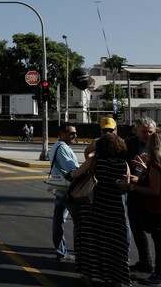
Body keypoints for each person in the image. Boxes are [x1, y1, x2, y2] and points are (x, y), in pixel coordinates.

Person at [68, 133, 131, 286]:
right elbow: (125, 187)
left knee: (90, 243)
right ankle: (117, 280)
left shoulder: (94, 161)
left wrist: (69, 173)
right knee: (115, 245)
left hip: (92, 209)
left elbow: (75, 174)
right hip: (115, 211)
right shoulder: (124, 165)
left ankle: (87, 277)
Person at [117, 129, 161, 285]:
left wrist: (131, 188)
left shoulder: (156, 163)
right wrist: (144, 169)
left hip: (157, 209)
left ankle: (158, 274)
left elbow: (155, 190)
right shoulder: (154, 163)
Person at [125, 117, 157, 273]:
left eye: (150, 132)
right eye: (144, 132)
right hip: (135, 195)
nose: (147, 135)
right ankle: (145, 261)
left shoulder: (158, 148)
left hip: (152, 195)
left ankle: (156, 269)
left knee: (156, 233)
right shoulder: (129, 143)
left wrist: (141, 178)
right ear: (136, 131)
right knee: (137, 228)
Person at [49, 122, 80, 262]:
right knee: (79, 222)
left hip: (60, 188)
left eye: (75, 133)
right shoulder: (63, 148)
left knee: (58, 220)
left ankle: (61, 252)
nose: (74, 135)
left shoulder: (56, 146)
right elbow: (73, 170)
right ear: (61, 134)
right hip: (69, 190)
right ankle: (80, 254)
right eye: (71, 133)